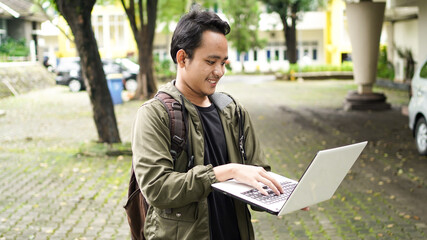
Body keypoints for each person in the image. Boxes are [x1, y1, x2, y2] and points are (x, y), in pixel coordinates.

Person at [131, 8, 284, 240]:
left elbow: (256, 172)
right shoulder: (155, 115)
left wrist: (280, 195)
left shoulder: (234, 111)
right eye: (211, 61)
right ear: (182, 58)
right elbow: (157, 188)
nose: (219, 72)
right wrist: (225, 171)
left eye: (223, 62)